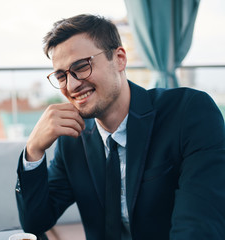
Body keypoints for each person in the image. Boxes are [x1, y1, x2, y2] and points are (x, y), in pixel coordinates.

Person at [15, 14, 225, 240]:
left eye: (82, 66)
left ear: (119, 59)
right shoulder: (72, 137)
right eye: (61, 75)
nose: (72, 84)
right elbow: (35, 221)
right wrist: (33, 151)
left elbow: (198, 228)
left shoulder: (188, 112)